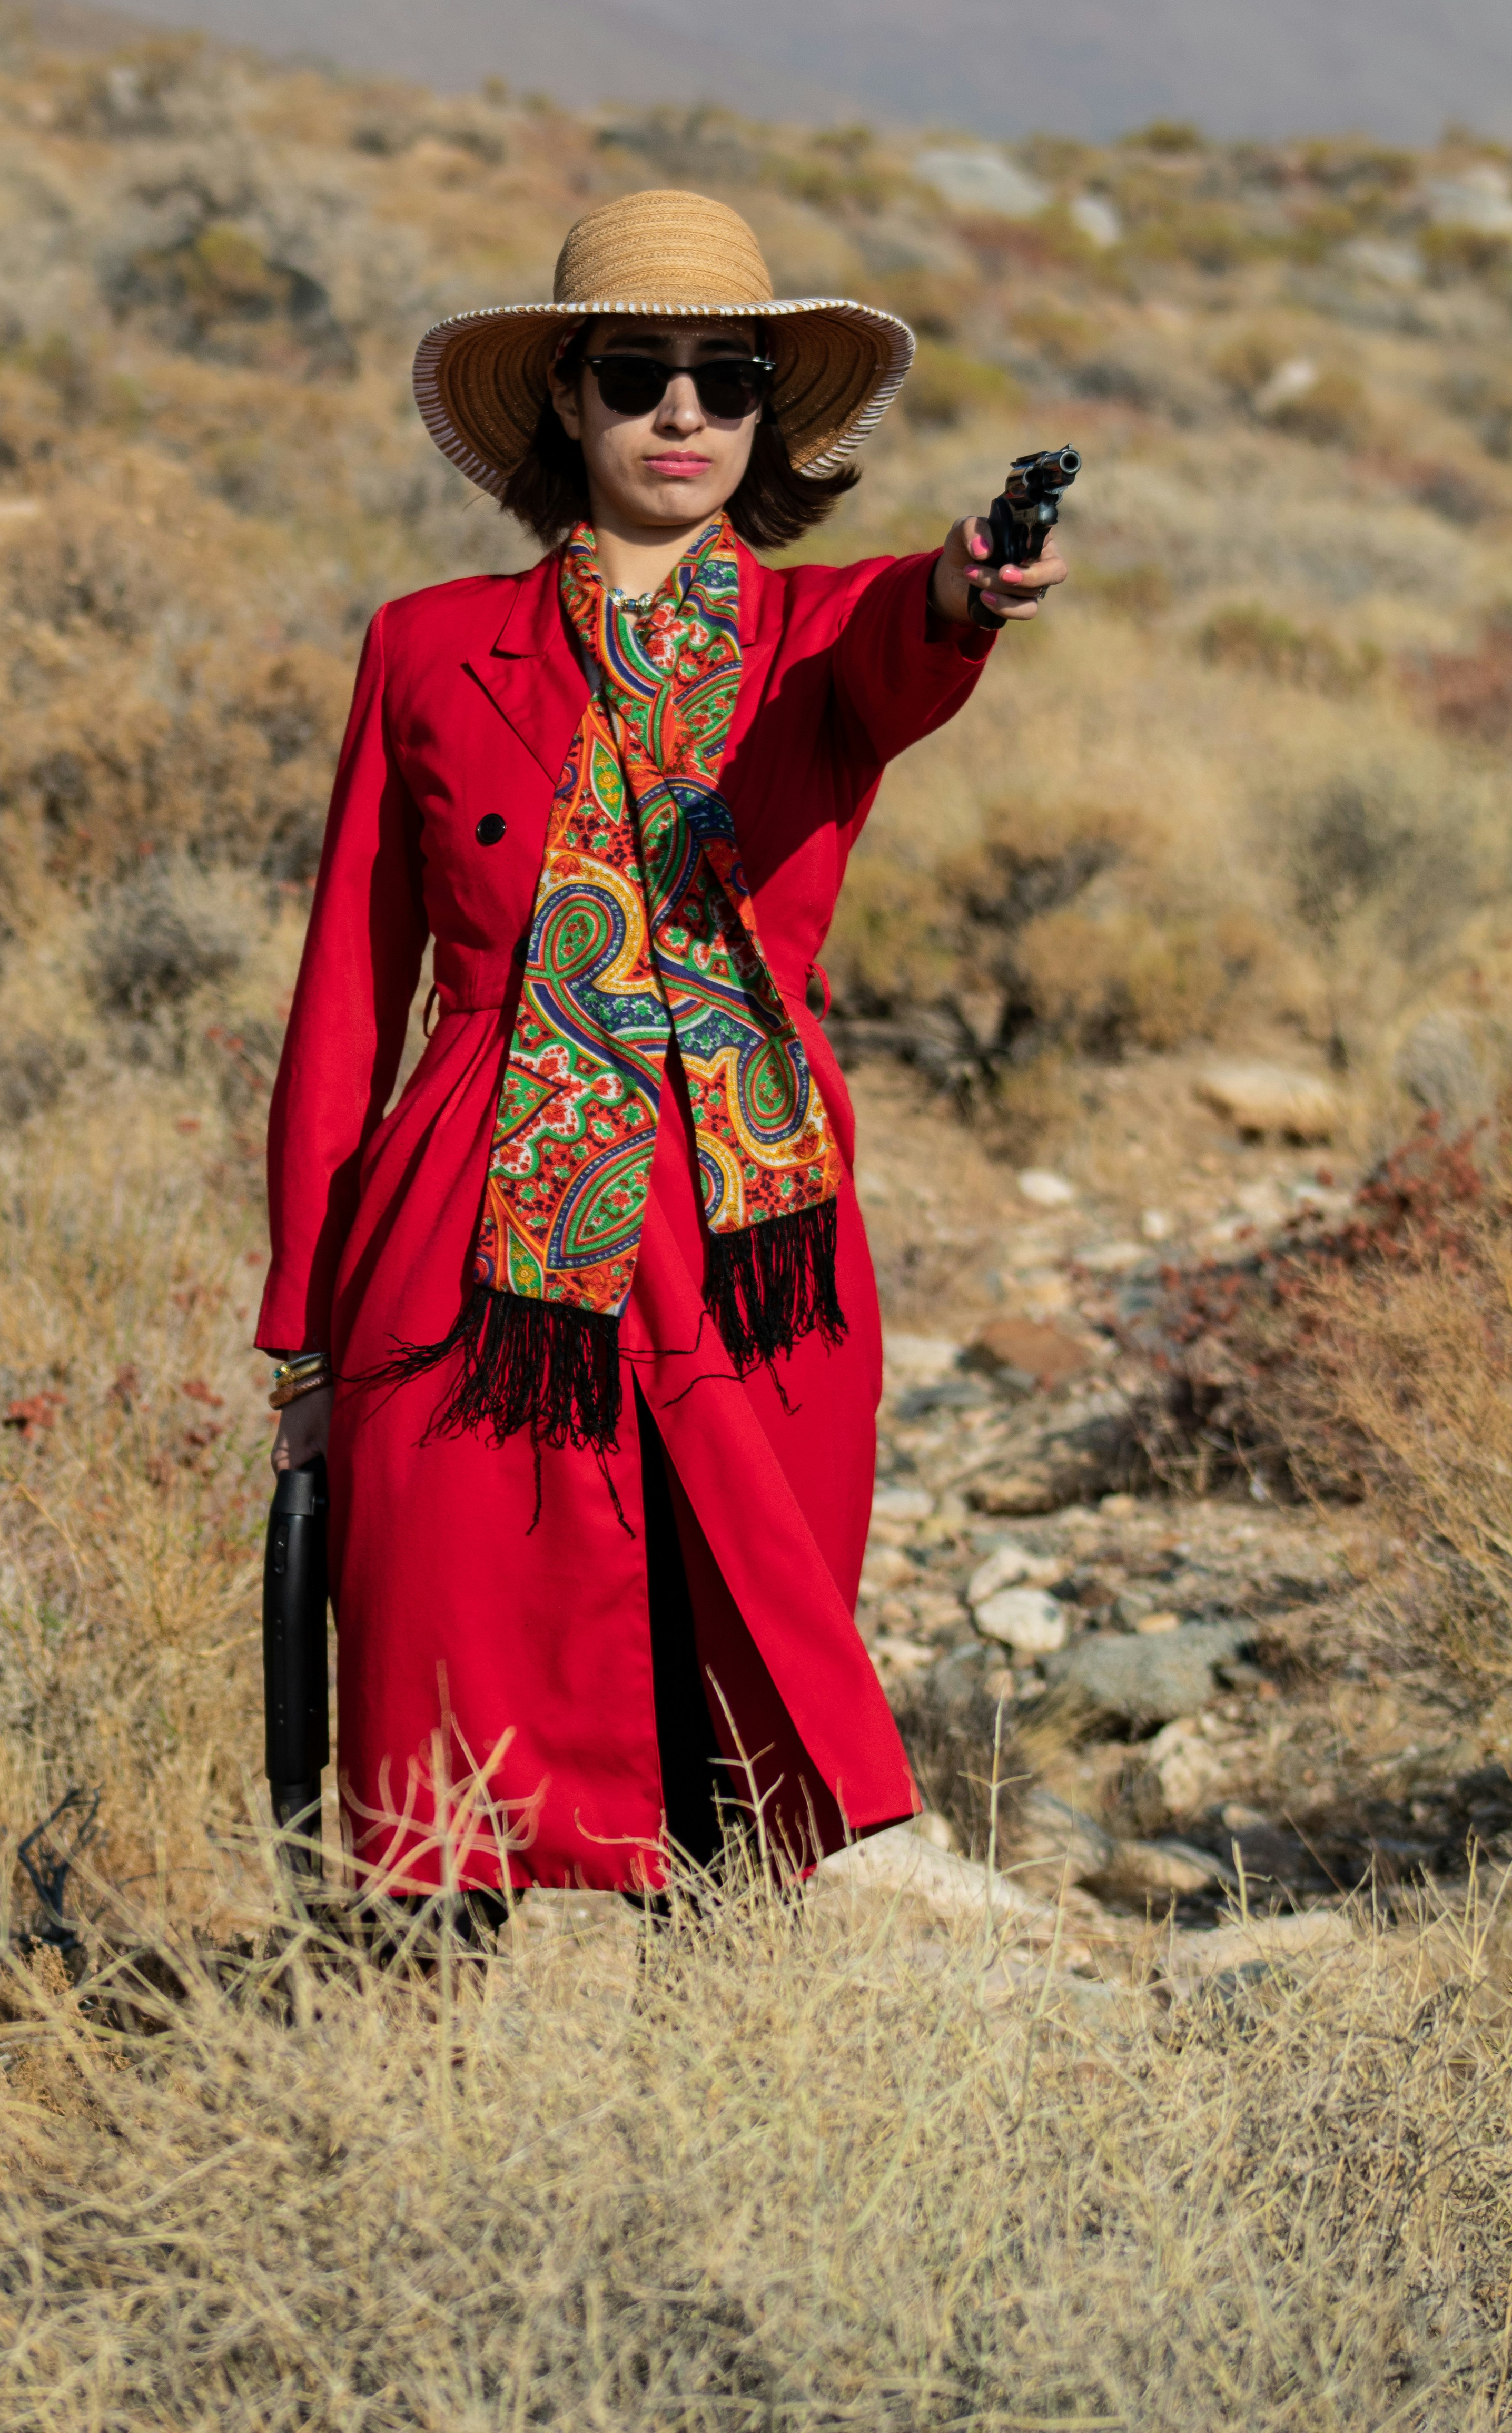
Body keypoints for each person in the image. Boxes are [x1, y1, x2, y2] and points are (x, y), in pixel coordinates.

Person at [257, 187, 1064, 1898]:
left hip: (747, 1223)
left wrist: (969, 582)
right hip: (467, 1227)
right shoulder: (423, 647)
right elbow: (349, 989)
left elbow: (911, 638)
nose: (684, 412)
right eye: (638, 371)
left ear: (770, 412)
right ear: (568, 397)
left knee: (729, 1718)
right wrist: (305, 1340)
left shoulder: (813, 637)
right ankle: (415, 2108)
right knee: (437, 1675)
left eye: (729, 376)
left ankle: (703, 2104)